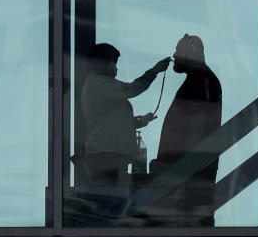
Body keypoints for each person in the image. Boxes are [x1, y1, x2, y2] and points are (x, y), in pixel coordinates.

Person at [151, 34, 222, 226]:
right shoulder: (200, 79)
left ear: (191, 53)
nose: (174, 55)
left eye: (178, 50)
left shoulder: (201, 80)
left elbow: (196, 129)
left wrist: (178, 169)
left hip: (188, 182)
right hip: (187, 179)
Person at [79, 43, 171, 187]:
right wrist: (155, 71)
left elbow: (113, 121)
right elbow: (134, 88)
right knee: (114, 197)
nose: (115, 67)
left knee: (113, 198)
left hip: (106, 153)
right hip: (108, 154)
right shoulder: (101, 84)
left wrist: (141, 121)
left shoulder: (97, 84)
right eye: (114, 62)